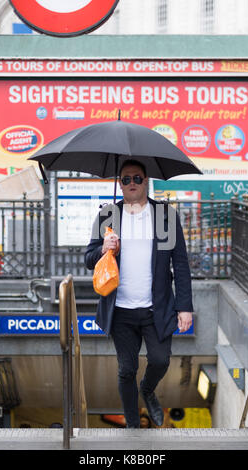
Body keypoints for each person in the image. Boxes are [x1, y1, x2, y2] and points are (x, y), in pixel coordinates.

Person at [85, 159, 193, 428]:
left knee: (160, 360)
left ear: (146, 182)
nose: (131, 184)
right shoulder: (108, 216)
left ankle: (147, 389)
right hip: (120, 309)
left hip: (156, 307)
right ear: (119, 184)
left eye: (136, 179)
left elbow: (179, 263)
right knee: (126, 369)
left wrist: (185, 306)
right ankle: (133, 426)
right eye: (125, 179)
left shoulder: (164, 216)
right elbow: (88, 259)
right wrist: (103, 248)